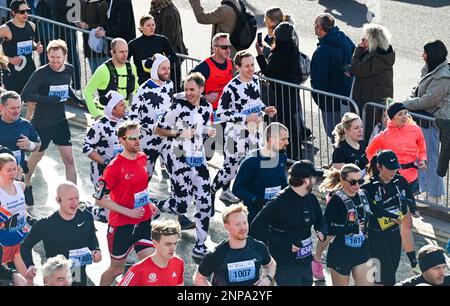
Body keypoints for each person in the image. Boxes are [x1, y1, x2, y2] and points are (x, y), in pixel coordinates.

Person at [155, 73, 215, 259]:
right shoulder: (177, 107)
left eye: (192, 89)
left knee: (205, 202)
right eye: (186, 89)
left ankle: (200, 245)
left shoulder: (207, 107)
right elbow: (159, 129)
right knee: (182, 205)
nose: (188, 93)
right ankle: (154, 206)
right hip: (178, 158)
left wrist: (208, 131)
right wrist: (180, 132)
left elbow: (203, 128)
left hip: (198, 160)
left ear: (201, 89)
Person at [95, 120, 157, 286]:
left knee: (152, 265)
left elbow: (141, 187)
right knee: (116, 270)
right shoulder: (114, 167)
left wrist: (148, 202)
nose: (138, 141)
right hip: (122, 226)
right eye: (132, 138)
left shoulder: (142, 157)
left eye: (139, 136)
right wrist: (128, 212)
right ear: (121, 140)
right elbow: (99, 200)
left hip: (143, 222)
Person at [366, 102, 426, 272]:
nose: (404, 116)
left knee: (406, 222)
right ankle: (402, 260)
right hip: (392, 182)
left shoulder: (415, 130)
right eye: (400, 114)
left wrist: (422, 159)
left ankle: (413, 262)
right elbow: (370, 152)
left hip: (411, 180)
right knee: (398, 221)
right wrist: (376, 170)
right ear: (391, 117)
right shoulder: (383, 136)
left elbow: (421, 146)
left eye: (405, 113)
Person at [212, 51, 277, 204]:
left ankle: (249, 197)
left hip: (256, 133)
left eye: (252, 65)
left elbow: (256, 102)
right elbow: (220, 113)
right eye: (247, 66)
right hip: (236, 135)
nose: (251, 69)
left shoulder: (255, 80)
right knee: (230, 169)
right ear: (238, 67)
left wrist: (265, 109)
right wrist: (244, 118)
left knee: (255, 164)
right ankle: (210, 191)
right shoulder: (231, 88)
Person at [21, 39, 80, 206]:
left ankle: (73, 196)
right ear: (47, 55)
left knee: (69, 159)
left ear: (65, 56)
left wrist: (78, 100)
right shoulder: (41, 73)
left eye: (58, 57)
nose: (55, 61)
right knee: (37, 155)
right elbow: (25, 94)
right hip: (42, 122)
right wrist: (47, 99)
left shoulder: (69, 70)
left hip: (60, 121)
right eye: (52, 57)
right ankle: (26, 182)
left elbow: (66, 88)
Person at [250, 160, 326, 286]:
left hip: (305, 260)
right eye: (313, 178)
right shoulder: (278, 202)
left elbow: (320, 219)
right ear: (306, 181)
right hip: (285, 262)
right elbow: (256, 227)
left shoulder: (311, 198)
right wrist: (284, 243)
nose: (315, 181)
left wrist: (322, 230)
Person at [312, 112, 368, 281]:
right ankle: (316, 258)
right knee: (330, 232)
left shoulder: (362, 145)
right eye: (356, 127)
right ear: (347, 130)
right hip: (340, 196)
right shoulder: (340, 151)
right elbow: (342, 178)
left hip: (357, 192)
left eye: (361, 127)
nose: (360, 130)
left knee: (356, 226)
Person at [21, 181, 102, 286]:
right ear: (58, 200)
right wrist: (30, 265)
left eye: (77, 198)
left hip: (77, 271)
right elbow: (25, 246)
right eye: (70, 199)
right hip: (55, 275)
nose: (75, 202)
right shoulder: (45, 224)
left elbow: (91, 237)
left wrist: (96, 250)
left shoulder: (86, 217)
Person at [401, 40, 449, 205]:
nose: (422, 56)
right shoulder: (432, 68)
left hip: (434, 122)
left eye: (425, 54)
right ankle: (426, 191)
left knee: (431, 157)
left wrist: (404, 104)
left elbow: (429, 100)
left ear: (433, 56)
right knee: (422, 155)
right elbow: (417, 88)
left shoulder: (443, 76)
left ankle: (435, 195)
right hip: (425, 119)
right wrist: (410, 99)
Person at [362, 150, 419, 286]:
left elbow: (409, 196)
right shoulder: (368, 188)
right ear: (379, 167)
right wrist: (391, 216)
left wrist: (414, 209)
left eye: (395, 167)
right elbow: (372, 210)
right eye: (389, 168)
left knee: (390, 270)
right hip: (375, 235)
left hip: (394, 233)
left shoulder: (400, 181)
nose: (393, 171)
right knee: (384, 274)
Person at [256, 21, 311, 159]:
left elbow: (268, 72)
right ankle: (295, 153)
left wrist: (259, 55)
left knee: (282, 124)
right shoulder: (293, 49)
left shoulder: (277, 55)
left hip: (281, 94)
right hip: (292, 92)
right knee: (291, 123)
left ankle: (288, 154)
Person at [194, 203, 276, 286]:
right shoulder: (217, 253)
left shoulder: (258, 247)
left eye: (245, 223)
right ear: (226, 226)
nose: (243, 228)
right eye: (238, 224)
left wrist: (267, 279)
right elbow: (199, 278)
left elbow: (271, 265)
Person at [322, 163, 373, 286]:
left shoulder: (363, 194)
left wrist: (393, 216)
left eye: (360, 181)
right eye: (352, 182)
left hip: (361, 250)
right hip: (341, 253)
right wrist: (347, 228)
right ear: (342, 180)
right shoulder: (336, 200)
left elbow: (376, 210)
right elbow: (325, 228)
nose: (357, 185)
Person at [232, 122, 289, 223]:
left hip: (276, 211)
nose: (287, 142)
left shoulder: (282, 157)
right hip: (255, 214)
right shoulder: (251, 161)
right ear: (271, 140)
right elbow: (237, 188)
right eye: (283, 139)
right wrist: (255, 200)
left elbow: (282, 182)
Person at [311, 13, 355, 141]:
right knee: (347, 136)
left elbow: (318, 82)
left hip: (330, 102)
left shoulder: (322, 51)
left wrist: (322, 103)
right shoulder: (345, 39)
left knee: (335, 136)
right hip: (347, 97)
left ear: (319, 28)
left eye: (315, 25)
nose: (314, 27)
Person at [128, 54, 173, 179]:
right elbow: (132, 117)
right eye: (163, 68)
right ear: (155, 69)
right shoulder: (143, 90)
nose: (167, 71)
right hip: (148, 142)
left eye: (168, 68)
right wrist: (151, 127)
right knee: (144, 177)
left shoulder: (169, 85)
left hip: (167, 139)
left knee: (176, 174)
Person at [190, 32, 233, 160]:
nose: (228, 50)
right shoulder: (205, 67)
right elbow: (187, 84)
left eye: (229, 46)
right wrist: (204, 97)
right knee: (208, 153)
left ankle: (227, 175)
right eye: (224, 47)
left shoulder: (230, 63)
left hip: (225, 112)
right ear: (214, 48)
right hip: (210, 113)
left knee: (229, 149)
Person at [350, 24, 395, 141]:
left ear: (372, 40)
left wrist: (358, 49)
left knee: (364, 138)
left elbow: (356, 69)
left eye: (365, 38)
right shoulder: (381, 54)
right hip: (374, 104)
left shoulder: (377, 59)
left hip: (370, 107)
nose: (362, 40)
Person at [0, 0, 43, 120]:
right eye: (22, 11)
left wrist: (36, 47)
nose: (26, 14)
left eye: (27, 11)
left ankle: (25, 127)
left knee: (32, 103)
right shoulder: (5, 29)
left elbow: (29, 42)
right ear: (13, 13)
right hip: (12, 74)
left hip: (29, 69)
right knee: (9, 106)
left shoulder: (31, 26)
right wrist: (9, 59)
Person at [84, 38, 139, 120]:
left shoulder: (131, 67)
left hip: (125, 116)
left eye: (126, 51)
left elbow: (136, 89)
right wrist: (96, 115)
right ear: (112, 52)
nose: (125, 55)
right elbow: (87, 92)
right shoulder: (102, 70)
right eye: (121, 52)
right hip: (106, 117)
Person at [118, 219, 184, 286]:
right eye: (168, 244)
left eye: (175, 243)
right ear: (155, 243)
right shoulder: (137, 269)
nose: (172, 248)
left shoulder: (178, 262)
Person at [83, 90, 127, 188]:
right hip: (103, 172)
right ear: (113, 109)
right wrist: (105, 162)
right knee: (105, 201)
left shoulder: (126, 122)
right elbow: (86, 148)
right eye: (121, 105)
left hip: (123, 171)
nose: (125, 107)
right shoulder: (99, 125)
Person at [0, 90, 41, 185]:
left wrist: (30, 145)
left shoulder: (25, 124)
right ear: (2, 107)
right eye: (13, 108)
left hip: (17, 176)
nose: (17, 111)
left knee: (26, 200)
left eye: (19, 107)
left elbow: (38, 145)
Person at [0, 153, 29, 284]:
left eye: (15, 169)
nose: (13, 173)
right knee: (7, 279)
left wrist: (31, 219)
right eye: (8, 170)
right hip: (3, 244)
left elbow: (23, 210)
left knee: (28, 278)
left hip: (21, 239)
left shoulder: (21, 186)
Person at [128, 15, 177, 85]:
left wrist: (161, 62)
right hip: (142, 81)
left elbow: (173, 56)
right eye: (148, 25)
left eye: (153, 25)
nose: (152, 27)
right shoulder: (133, 44)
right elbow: (125, 60)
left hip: (159, 80)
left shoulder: (162, 40)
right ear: (141, 27)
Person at [150, 0, 188, 91]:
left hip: (170, 59)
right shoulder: (161, 8)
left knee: (172, 89)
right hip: (170, 57)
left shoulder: (168, 13)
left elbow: (167, 39)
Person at [76, 0, 109, 73]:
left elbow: (106, 24)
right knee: (95, 76)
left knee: (103, 75)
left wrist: (88, 26)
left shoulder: (102, 3)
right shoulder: (83, 3)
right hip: (89, 47)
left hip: (100, 48)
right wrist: (79, 24)